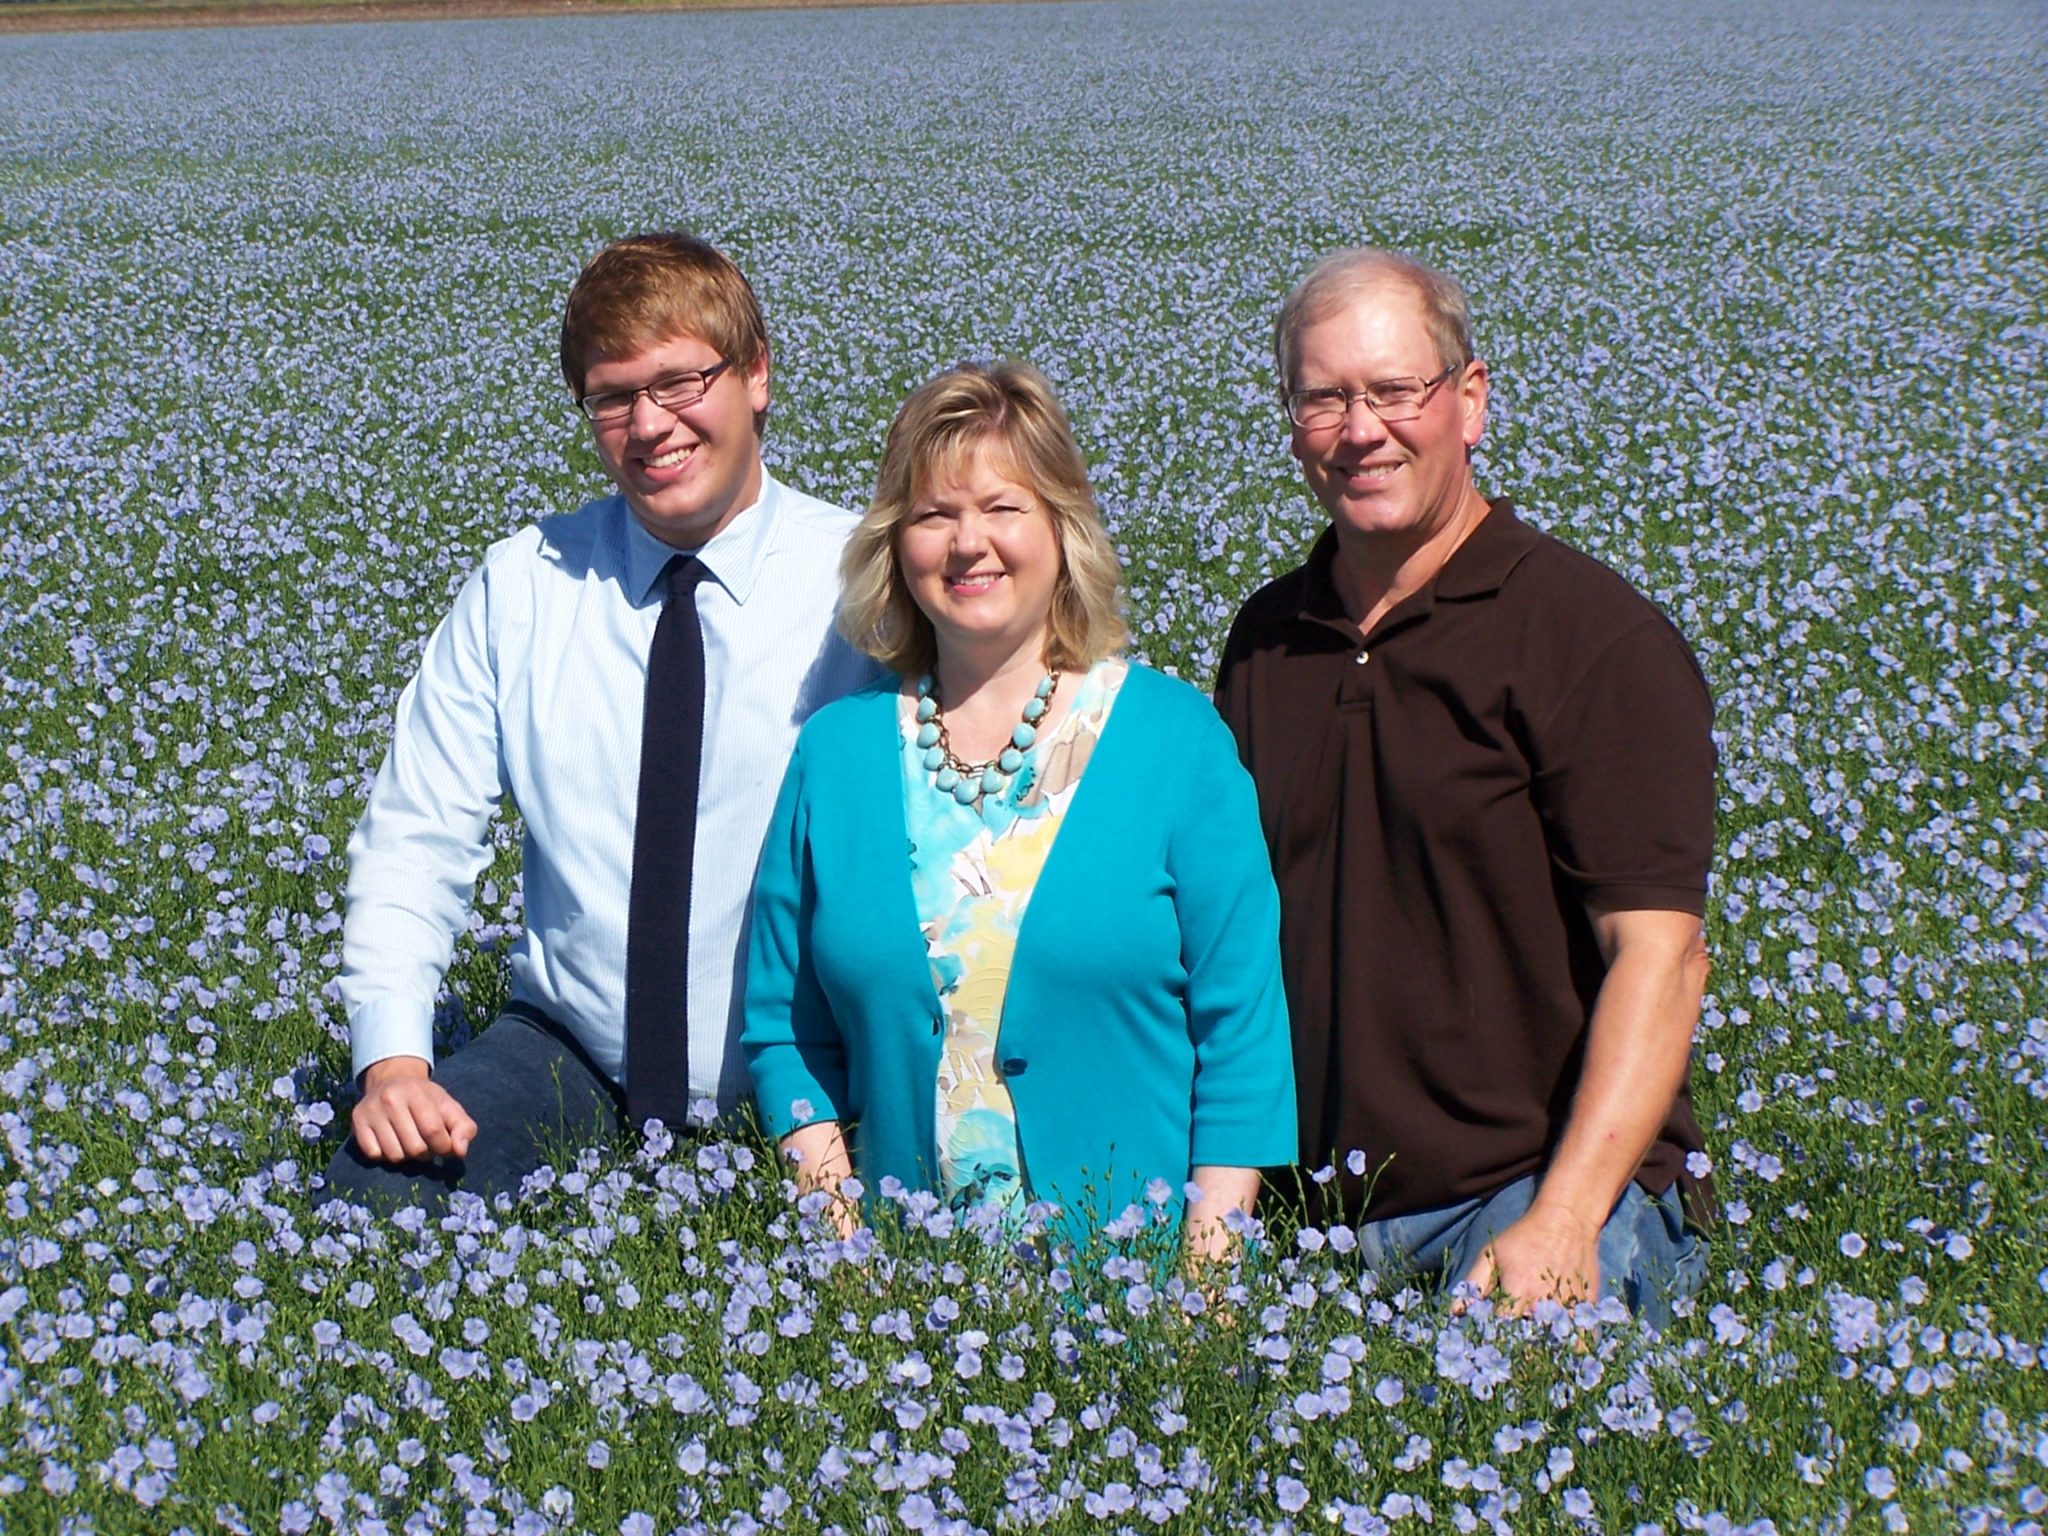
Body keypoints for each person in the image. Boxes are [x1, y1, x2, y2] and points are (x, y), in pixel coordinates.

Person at [322, 231, 874, 1213]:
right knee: (376, 1199)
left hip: (824, 1064)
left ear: (755, 376)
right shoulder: (522, 588)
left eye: (678, 383)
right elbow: (417, 829)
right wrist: (394, 1063)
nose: (648, 425)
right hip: (573, 1051)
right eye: (611, 397)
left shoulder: (865, 586)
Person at [1215, 248, 1716, 1324]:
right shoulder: (1266, 641)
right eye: (1322, 399)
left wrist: (1563, 1223)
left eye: (1395, 391)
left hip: (1528, 1195)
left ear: (1469, 400)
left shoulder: (1589, 639)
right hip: (1304, 1218)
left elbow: (1660, 955)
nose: (1360, 431)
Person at [741, 361, 1294, 1259]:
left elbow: (1243, 1035)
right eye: (934, 515)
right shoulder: (834, 754)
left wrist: (1208, 1292)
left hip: (1139, 1299)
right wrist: (844, 1251)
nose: (969, 543)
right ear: (895, 543)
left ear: (1061, 528)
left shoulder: (1175, 742)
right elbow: (783, 1029)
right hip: (905, 1308)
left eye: (1004, 508)